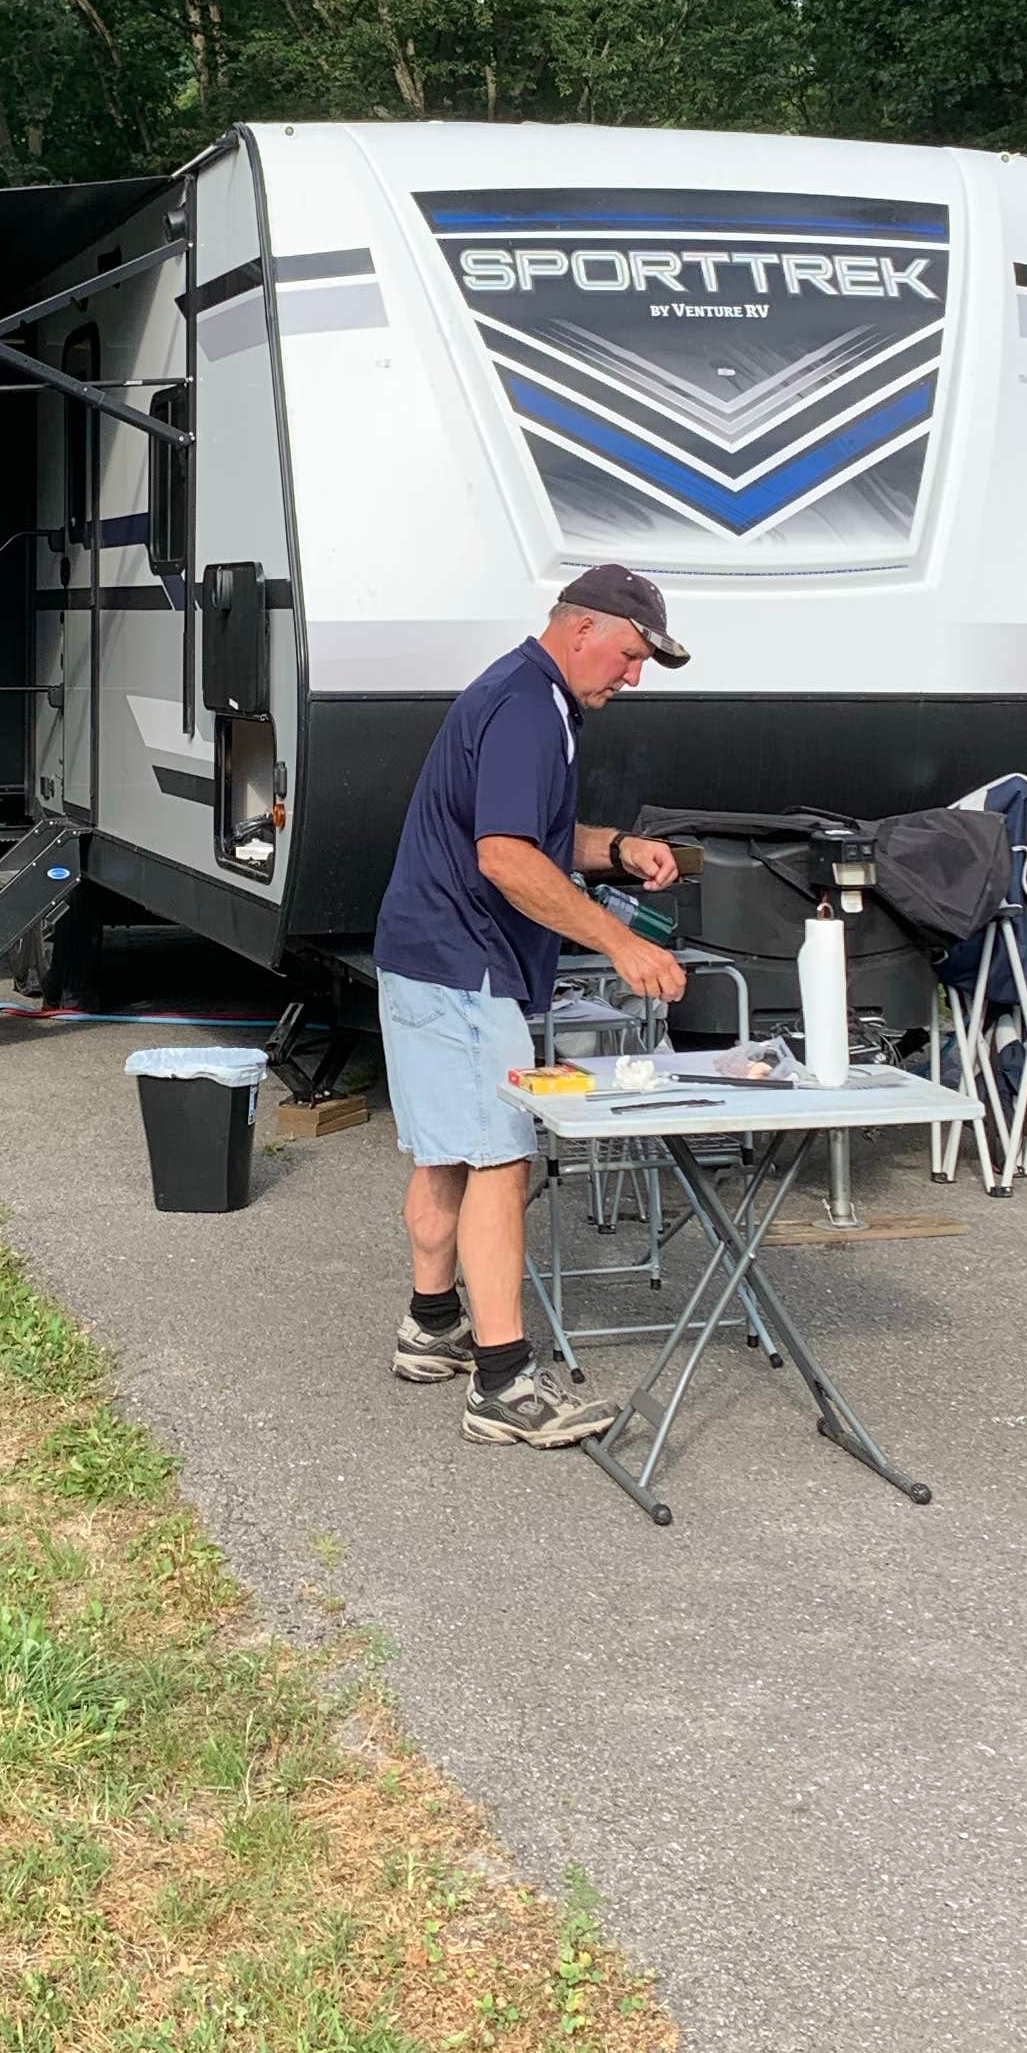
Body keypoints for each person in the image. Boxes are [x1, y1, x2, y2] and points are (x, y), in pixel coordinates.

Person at [371, 565, 692, 1448]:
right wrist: (621, 943)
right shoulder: (528, 707)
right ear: (582, 627)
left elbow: (538, 836)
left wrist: (618, 849)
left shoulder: (525, 695)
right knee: (500, 1160)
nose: (632, 678)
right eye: (629, 656)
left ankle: (431, 1326)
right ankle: (505, 1386)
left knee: (448, 1153)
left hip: (425, 955)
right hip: (466, 966)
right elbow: (506, 858)